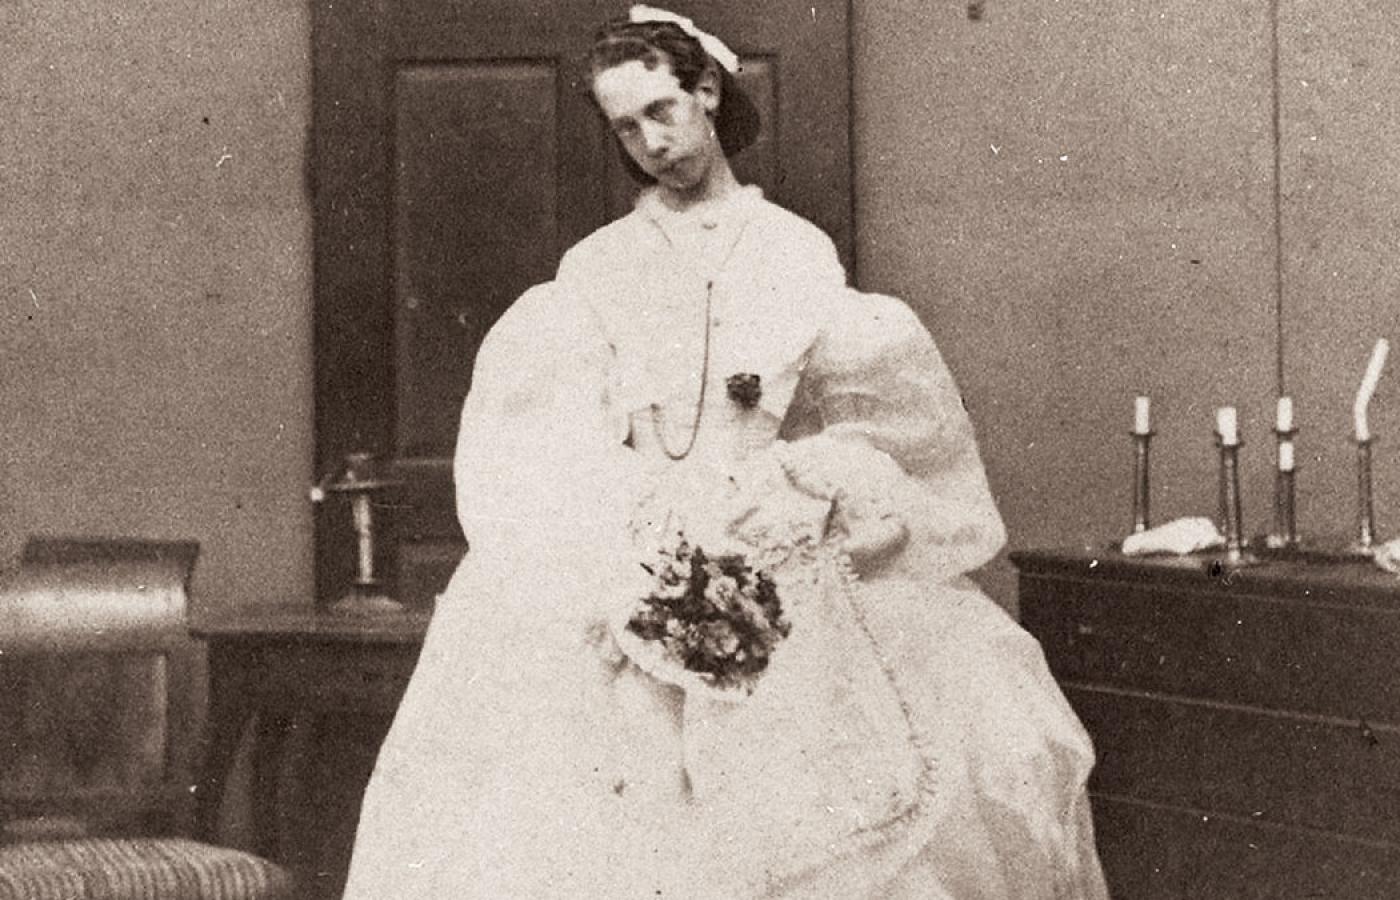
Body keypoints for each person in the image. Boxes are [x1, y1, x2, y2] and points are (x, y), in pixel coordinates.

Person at [342, 6, 1109, 898]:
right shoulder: (597, 268)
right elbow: (553, 443)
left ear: (706, 90)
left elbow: (860, 427)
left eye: (661, 111)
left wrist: (795, 488)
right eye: (625, 128)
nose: (650, 144)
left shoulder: (796, 253)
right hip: (634, 545)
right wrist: (638, 529)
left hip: (767, 542)